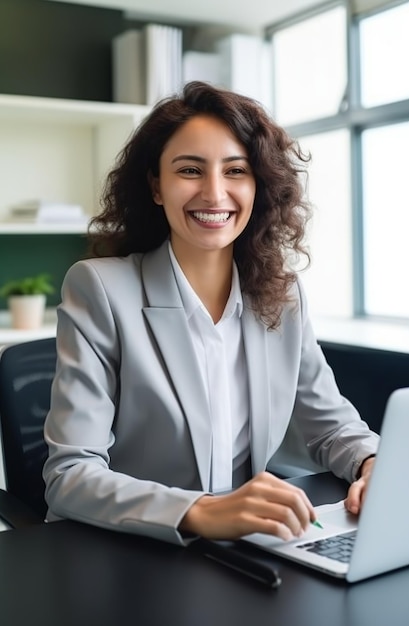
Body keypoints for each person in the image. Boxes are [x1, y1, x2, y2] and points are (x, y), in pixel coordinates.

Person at [43, 81, 379, 546]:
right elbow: (70, 475)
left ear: (258, 185)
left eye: (236, 170)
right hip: (126, 553)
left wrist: (373, 463)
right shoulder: (100, 287)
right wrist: (201, 511)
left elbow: (331, 425)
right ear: (157, 186)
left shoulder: (281, 295)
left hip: (242, 551)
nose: (215, 193)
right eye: (190, 170)